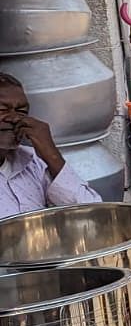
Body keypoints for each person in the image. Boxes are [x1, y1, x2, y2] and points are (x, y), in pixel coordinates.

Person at [0, 72, 99, 218]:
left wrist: (52, 155)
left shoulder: (32, 162)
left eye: (21, 111)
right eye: (2, 110)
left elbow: (92, 214)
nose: (15, 118)